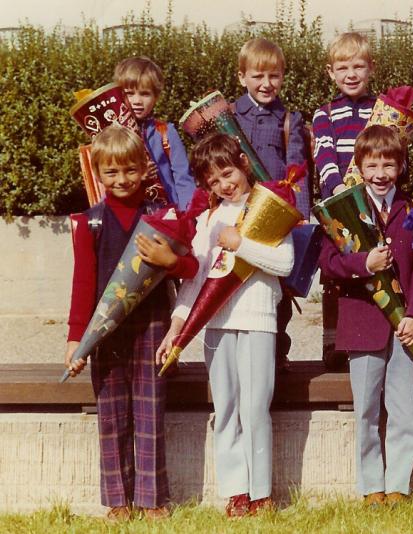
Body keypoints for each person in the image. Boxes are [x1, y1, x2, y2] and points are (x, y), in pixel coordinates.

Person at [65, 124, 198, 521]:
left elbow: (192, 267)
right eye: (111, 172)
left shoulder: (162, 217)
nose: (121, 179)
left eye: (130, 170)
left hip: (153, 325)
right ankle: (118, 500)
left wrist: (171, 262)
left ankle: (152, 498)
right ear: (97, 173)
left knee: (150, 411)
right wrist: (75, 339)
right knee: (111, 415)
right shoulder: (90, 222)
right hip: (106, 332)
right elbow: (83, 284)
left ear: (144, 168)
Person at [157, 133, 295, 518]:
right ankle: (236, 491)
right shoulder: (209, 219)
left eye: (228, 173)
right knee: (227, 406)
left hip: (257, 320)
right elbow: (195, 282)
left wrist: (240, 245)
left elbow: (284, 264)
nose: (223, 184)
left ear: (243, 163)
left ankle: (261, 491)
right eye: (213, 181)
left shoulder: (268, 205)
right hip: (217, 326)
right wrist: (175, 329)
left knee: (255, 408)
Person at [318, 125, 413, 506]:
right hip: (362, 324)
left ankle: (399, 485)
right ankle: (372, 486)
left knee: (403, 409)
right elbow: (328, 263)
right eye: (372, 165)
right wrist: (362, 263)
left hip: (404, 327)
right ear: (359, 167)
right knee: (366, 410)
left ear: (401, 167)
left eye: (389, 164)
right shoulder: (343, 209)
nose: (381, 173)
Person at [233, 37, 309, 369]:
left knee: (278, 286)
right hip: (238, 212)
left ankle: (277, 354)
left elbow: (298, 169)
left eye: (274, 76)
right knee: (237, 281)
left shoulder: (289, 119)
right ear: (242, 77)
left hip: (276, 217)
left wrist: (300, 216)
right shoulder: (229, 115)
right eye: (258, 76)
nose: (266, 83)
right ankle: (239, 351)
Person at [312, 32, 377, 369]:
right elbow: (323, 156)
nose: (351, 74)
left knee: (375, 267)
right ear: (330, 72)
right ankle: (333, 342)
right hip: (338, 207)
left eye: (358, 66)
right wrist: (338, 189)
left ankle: (375, 337)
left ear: (371, 68)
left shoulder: (381, 110)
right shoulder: (324, 114)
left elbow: (392, 153)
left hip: (375, 203)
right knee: (336, 274)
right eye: (342, 68)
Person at [114, 56, 196, 210]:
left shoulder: (165, 131)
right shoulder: (113, 136)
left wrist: (188, 215)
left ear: (156, 96)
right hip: (132, 215)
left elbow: (183, 178)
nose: (137, 101)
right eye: (129, 93)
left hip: (169, 214)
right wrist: (136, 177)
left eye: (145, 94)